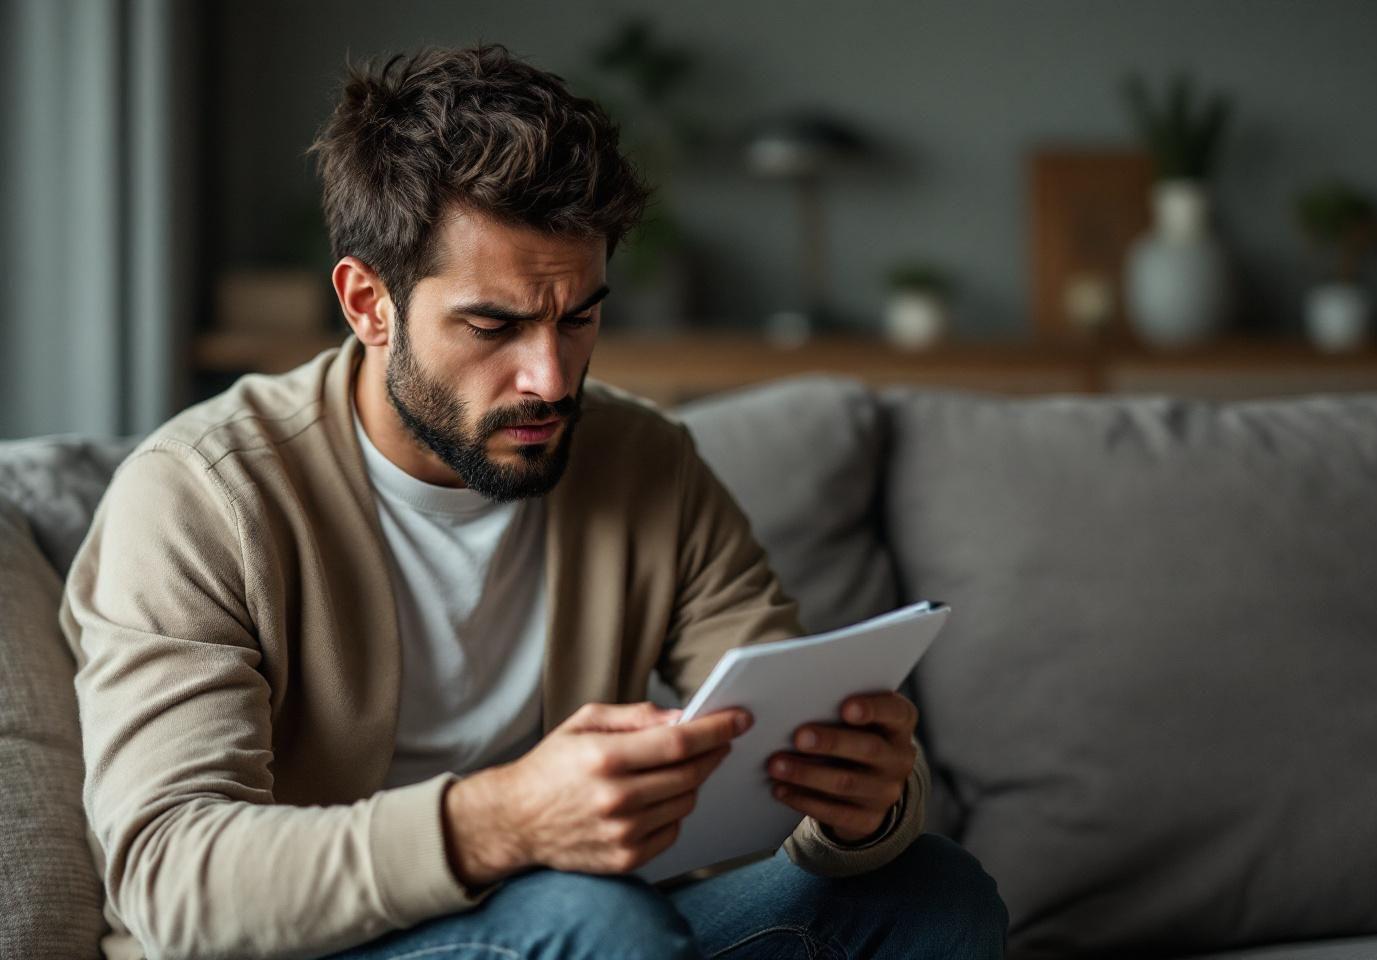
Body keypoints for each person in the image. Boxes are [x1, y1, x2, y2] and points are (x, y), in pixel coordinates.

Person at [60, 42, 1007, 960]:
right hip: (330, 947)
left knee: (932, 893)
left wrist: (861, 803)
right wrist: (503, 821)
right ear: (368, 304)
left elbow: (781, 717)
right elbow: (168, 877)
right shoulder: (200, 495)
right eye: (493, 325)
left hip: (599, 927)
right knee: (596, 921)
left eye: (579, 317)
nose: (551, 379)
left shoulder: (646, 463)